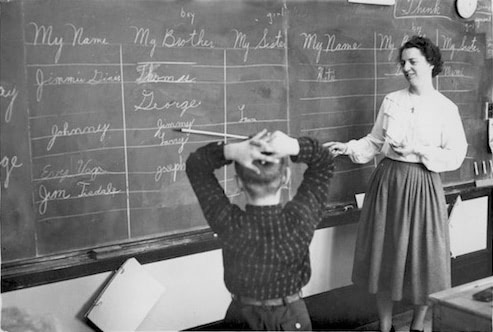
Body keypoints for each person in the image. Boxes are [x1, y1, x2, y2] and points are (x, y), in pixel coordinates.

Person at [324, 35, 467, 332]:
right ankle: (385, 327)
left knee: (425, 259)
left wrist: (418, 152)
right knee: (385, 256)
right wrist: (347, 147)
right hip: (388, 183)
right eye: (403, 62)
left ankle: (417, 326)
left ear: (431, 64)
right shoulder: (392, 100)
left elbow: (455, 154)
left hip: (423, 186)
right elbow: (374, 141)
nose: (406, 68)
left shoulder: (446, 108)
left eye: (413, 61)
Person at [186, 129, 333, 330]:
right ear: (286, 178)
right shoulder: (301, 219)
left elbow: (196, 166)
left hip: (242, 319)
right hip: (291, 317)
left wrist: (230, 151)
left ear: (238, 183)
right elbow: (324, 162)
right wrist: (294, 146)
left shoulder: (228, 223)